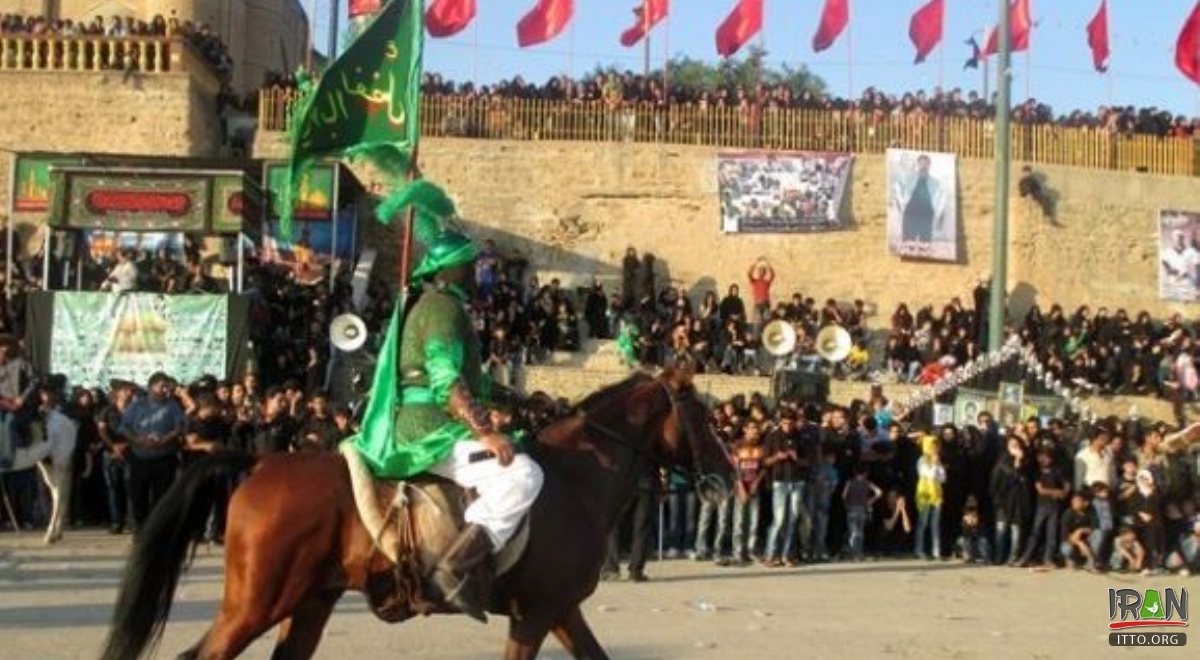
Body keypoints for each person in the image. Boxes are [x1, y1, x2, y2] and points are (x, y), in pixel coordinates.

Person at [353, 227, 543, 622]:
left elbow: (474, 382)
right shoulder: (442, 307)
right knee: (524, 474)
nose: (477, 271)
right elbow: (445, 381)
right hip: (427, 433)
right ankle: (459, 567)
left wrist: (518, 400)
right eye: (470, 265)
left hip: (430, 423)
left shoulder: (431, 302)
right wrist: (484, 432)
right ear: (450, 268)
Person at [119, 372, 186, 531]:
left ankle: (156, 530)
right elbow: (124, 427)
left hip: (164, 458)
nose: (164, 390)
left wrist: (165, 439)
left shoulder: (173, 406)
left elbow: (180, 427)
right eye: (161, 386)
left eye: (167, 386)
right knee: (138, 497)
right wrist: (137, 440)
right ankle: (140, 530)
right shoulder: (137, 405)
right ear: (150, 387)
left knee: (161, 498)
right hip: (139, 457)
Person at [914, 435, 945, 560]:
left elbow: (943, 478)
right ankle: (919, 550)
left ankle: (936, 551)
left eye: (936, 446)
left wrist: (937, 464)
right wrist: (934, 464)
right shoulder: (922, 460)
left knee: (935, 524)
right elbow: (930, 475)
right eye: (933, 446)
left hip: (937, 495)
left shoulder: (937, 460)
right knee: (923, 523)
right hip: (924, 494)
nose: (935, 448)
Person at [747, 257, 775, 326]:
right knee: (757, 322)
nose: (761, 272)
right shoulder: (754, 281)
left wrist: (768, 264)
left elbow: (773, 275)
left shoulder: (766, 282)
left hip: (766, 304)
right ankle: (756, 336)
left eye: (762, 271)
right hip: (757, 304)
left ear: (764, 273)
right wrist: (755, 263)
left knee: (767, 322)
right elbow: (749, 274)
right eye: (760, 271)